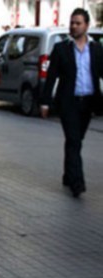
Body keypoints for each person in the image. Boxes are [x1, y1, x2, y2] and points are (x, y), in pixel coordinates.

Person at [40, 8, 103, 198]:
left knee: (76, 141)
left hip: (88, 102)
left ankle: (68, 174)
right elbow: (51, 77)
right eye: (72, 23)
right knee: (74, 140)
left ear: (86, 25)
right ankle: (77, 183)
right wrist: (45, 102)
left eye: (78, 23)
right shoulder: (61, 49)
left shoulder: (97, 48)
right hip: (68, 103)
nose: (73, 26)